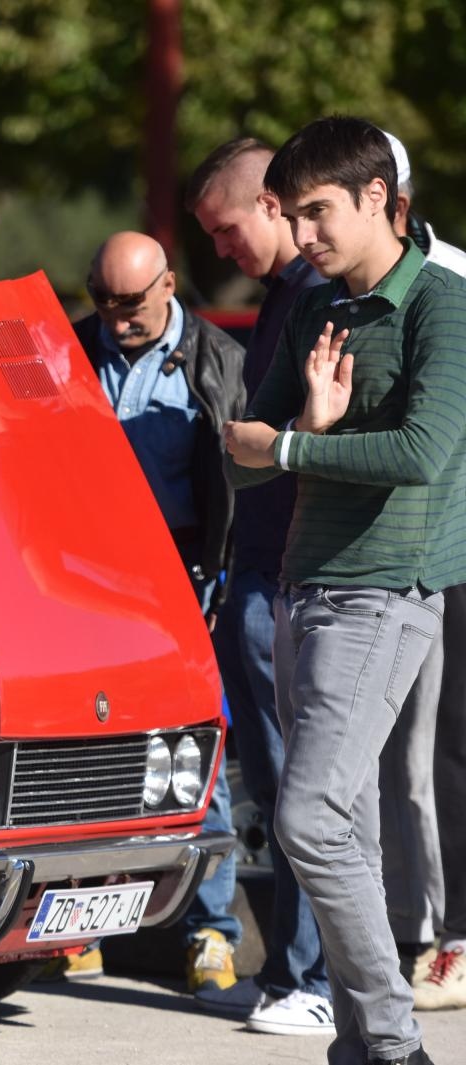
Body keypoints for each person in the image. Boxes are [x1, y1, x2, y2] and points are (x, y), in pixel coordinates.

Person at [224, 114, 466, 1065]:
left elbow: (421, 451)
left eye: (317, 213)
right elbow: (240, 455)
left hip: (386, 595)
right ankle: (363, 1048)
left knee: (308, 817)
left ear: (381, 199)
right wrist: (290, 437)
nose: (304, 235)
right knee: (347, 829)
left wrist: (301, 442)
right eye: (291, 215)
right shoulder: (320, 307)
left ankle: (396, 1044)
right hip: (301, 590)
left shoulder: (441, 304)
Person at [68, 232, 246, 991]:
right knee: (80, 750)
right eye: (102, 301)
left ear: (169, 285)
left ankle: (212, 927)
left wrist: (219, 580)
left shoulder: (219, 362)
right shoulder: (71, 348)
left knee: (194, 753)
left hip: (180, 571)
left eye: (131, 303)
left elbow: (238, 488)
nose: (116, 318)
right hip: (83, 572)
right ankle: (81, 921)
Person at [186, 136, 334, 1035]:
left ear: (272, 206)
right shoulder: (287, 297)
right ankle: (292, 970)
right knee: (276, 786)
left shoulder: (321, 302)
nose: (221, 250)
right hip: (259, 570)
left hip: (288, 578)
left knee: (300, 790)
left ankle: (309, 979)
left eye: (227, 227)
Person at [372, 130, 466, 1008]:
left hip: (451, 543)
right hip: (416, 553)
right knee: (416, 760)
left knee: (450, 750)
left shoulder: (456, 285)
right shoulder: (353, 296)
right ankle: (424, 934)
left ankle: (453, 939)